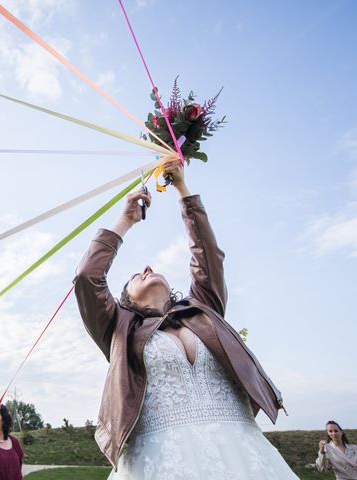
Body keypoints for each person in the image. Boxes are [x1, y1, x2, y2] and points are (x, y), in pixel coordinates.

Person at [74, 157, 298, 478]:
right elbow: (87, 277)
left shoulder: (203, 309)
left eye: (151, 269)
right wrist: (125, 220)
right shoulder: (119, 329)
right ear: (126, 302)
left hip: (241, 451)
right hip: (160, 459)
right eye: (137, 275)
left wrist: (181, 188)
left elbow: (207, 256)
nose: (148, 268)